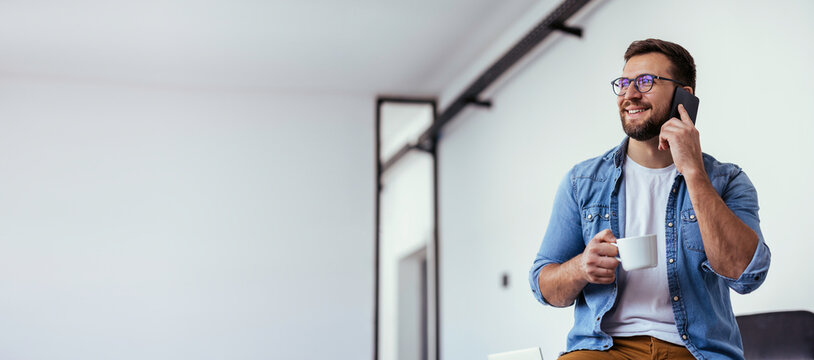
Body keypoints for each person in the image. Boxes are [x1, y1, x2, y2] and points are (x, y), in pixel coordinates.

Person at [528, 38, 770, 359]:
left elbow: (746, 276)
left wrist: (694, 172)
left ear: (683, 96)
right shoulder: (582, 181)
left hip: (696, 351)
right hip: (605, 349)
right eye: (624, 83)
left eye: (645, 82)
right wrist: (580, 268)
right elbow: (545, 287)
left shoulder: (727, 180)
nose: (629, 94)